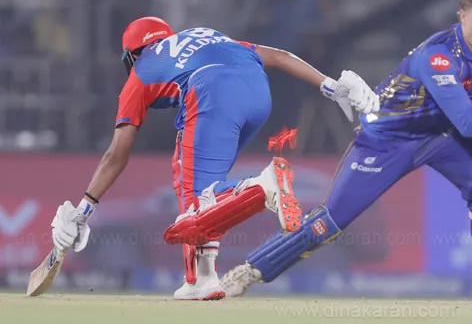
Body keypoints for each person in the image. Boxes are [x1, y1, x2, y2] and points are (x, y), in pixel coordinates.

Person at [220, 0, 472, 302]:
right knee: (329, 222)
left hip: (443, 136)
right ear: (462, 16)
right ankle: (249, 271)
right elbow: (467, 122)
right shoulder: (437, 54)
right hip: (387, 137)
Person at [47, 17, 380, 300]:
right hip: (258, 94)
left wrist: (84, 208)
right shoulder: (203, 34)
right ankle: (202, 279)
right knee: (204, 194)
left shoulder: (141, 72)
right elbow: (278, 56)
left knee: (193, 195)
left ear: (134, 54)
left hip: (211, 92)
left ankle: (262, 186)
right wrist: (330, 86)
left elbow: (117, 154)